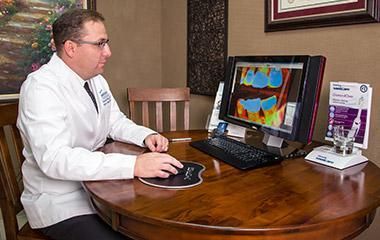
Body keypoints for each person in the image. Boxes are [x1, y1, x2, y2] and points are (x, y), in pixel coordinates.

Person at [16, 8, 183, 240]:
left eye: (107, 43)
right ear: (71, 48)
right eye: (100, 44)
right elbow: (54, 159)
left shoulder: (97, 80)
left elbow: (115, 121)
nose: (108, 52)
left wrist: (145, 135)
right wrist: (133, 166)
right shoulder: (40, 88)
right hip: (61, 201)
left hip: (97, 189)